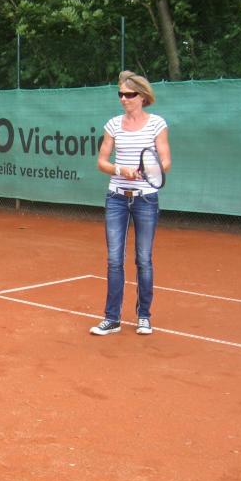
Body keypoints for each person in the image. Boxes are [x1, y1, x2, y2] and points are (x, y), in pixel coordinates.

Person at [91, 71, 171, 336]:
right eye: (121, 94)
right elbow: (102, 162)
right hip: (116, 198)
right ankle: (111, 318)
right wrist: (120, 170)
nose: (124, 99)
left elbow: (165, 161)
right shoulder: (113, 125)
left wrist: (148, 171)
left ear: (142, 96)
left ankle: (144, 316)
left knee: (144, 259)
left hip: (146, 199)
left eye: (129, 94)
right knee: (114, 259)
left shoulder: (157, 124)